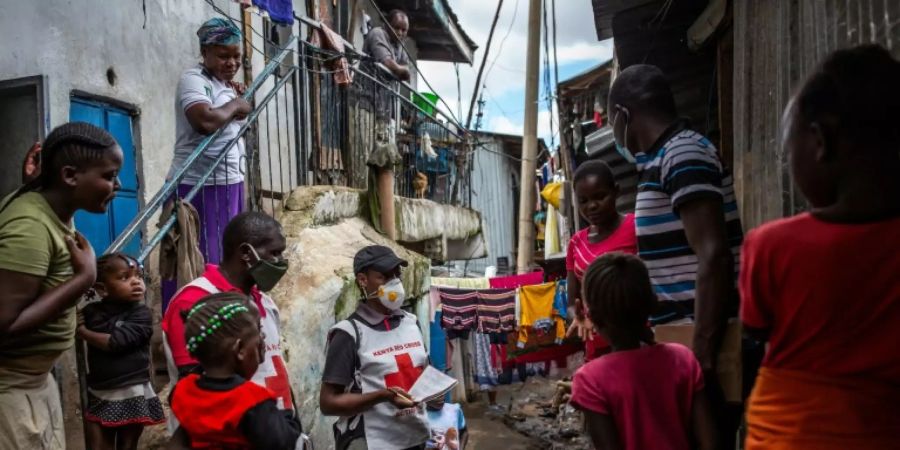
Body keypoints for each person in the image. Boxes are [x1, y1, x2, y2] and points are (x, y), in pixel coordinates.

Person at [740, 45, 900, 450]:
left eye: (787, 147)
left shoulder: (771, 246)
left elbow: (755, 330)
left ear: (819, 139)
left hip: (789, 435)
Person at [607, 64, 744, 441]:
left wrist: (701, 351)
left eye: (612, 119)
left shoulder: (682, 153)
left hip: (703, 340)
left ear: (623, 115)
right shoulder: (657, 161)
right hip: (680, 337)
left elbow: (714, 254)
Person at [0, 122, 122, 449]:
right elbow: (4, 323)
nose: (118, 184)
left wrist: (37, 184)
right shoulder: (30, 226)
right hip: (10, 394)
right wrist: (83, 280)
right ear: (69, 176)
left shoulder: (55, 205)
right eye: (109, 176)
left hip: (34, 385)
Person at [569, 253, 716, 450]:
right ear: (650, 303)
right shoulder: (682, 358)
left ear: (592, 315)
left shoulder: (590, 380)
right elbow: (710, 442)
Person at [162, 212, 293, 411]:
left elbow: (277, 371)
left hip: (275, 430)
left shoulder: (264, 302)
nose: (281, 262)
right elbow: (193, 386)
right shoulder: (194, 300)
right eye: (274, 253)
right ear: (246, 253)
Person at [320, 245, 430, 450]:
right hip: (372, 442)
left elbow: (424, 373)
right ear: (363, 280)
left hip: (414, 437)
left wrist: (435, 392)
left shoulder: (411, 323)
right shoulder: (348, 333)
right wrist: (383, 396)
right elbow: (328, 403)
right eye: (384, 276)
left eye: (397, 274)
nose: (395, 282)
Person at [165, 18, 251, 271]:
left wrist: (234, 100)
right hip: (198, 185)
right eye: (224, 56)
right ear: (204, 53)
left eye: (236, 56)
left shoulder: (223, 85)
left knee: (226, 255)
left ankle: (222, 306)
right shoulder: (193, 79)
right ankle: (190, 309)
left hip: (228, 182)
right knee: (196, 261)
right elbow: (204, 120)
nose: (232, 63)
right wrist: (236, 105)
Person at [169, 294, 303, 449]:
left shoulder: (183, 390)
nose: (263, 338)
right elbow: (284, 442)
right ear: (240, 349)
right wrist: (289, 418)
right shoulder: (252, 400)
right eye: (258, 332)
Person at [79, 253, 165, 450]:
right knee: (100, 444)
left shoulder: (141, 314)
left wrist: (83, 332)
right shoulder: (92, 312)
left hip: (131, 390)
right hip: (101, 390)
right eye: (125, 277)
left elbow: (115, 343)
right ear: (102, 288)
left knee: (127, 445)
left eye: (139, 276)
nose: (136, 282)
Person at [565, 160, 637, 361]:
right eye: (583, 200)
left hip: (638, 340)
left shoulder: (635, 227)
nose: (592, 206)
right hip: (597, 347)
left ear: (616, 191)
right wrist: (578, 318)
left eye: (600, 196)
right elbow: (572, 302)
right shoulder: (576, 244)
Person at [363, 9, 411, 81]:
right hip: (366, 88)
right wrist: (400, 69)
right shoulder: (377, 33)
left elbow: (406, 69)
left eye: (404, 30)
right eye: (396, 28)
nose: (400, 33)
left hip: (385, 90)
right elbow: (388, 63)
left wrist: (403, 70)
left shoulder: (400, 44)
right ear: (387, 25)